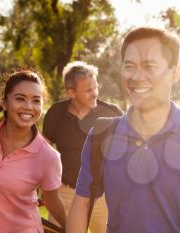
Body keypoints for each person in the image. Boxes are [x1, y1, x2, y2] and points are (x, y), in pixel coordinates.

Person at [67, 26, 180, 233]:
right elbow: (82, 203)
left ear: (175, 73)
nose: (137, 76)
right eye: (129, 66)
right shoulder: (102, 136)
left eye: (150, 66)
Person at [0, 70, 66, 233]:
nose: (29, 107)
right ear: (4, 103)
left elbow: (53, 203)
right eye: (20, 98)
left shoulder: (48, 157)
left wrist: (74, 228)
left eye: (36, 101)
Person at [43, 61, 122, 232]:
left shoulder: (111, 113)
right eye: (88, 90)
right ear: (71, 92)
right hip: (66, 192)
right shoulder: (56, 113)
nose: (95, 94)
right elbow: (44, 150)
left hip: (103, 195)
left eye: (95, 88)